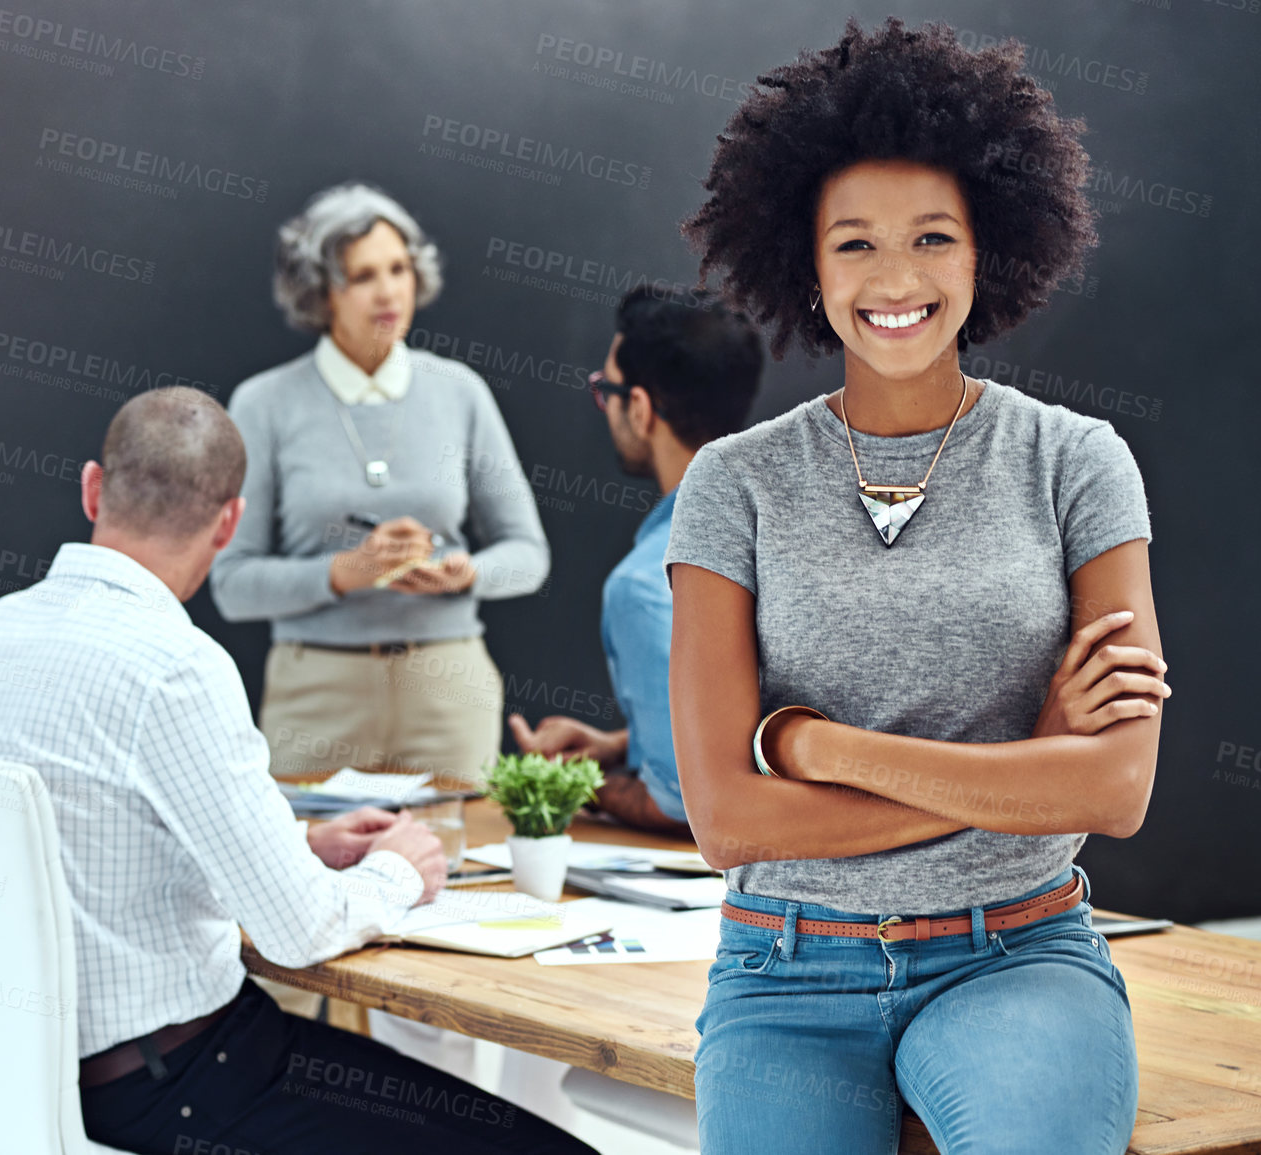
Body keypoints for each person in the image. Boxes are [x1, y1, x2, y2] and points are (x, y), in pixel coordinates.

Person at [668, 19, 1170, 1154]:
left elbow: (1119, 788)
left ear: (986, 248)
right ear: (806, 262)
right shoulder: (732, 487)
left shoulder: (1076, 462)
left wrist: (815, 746)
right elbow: (728, 818)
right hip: (785, 966)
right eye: (855, 245)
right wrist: (1030, 764)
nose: (896, 280)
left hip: (1018, 951)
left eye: (932, 237)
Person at [0, 387, 595, 1155]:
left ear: (91, 488)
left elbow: (93, 841)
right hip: (178, 1084)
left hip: (16, 1074)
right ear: (228, 521)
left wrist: (296, 844)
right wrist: (397, 871)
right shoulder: (176, 668)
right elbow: (297, 929)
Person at [211, 182, 549, 786]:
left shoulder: (460, 392)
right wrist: (344, 572)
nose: (389, 291)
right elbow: (233, 585)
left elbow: (529, 556)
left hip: (447, 691)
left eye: (399, 269)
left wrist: (466, 573)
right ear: (322, 292)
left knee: (463, 869)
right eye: (363, 276)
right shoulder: (263, 404)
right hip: (314, 697)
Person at [509, 287, 763, 835]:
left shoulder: (649, 583)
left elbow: (683, 806)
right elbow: (758, 720)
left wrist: (577, 783)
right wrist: (620, 747)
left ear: (641, 409)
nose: (605, 405)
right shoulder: (793, 530)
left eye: (608, 390)